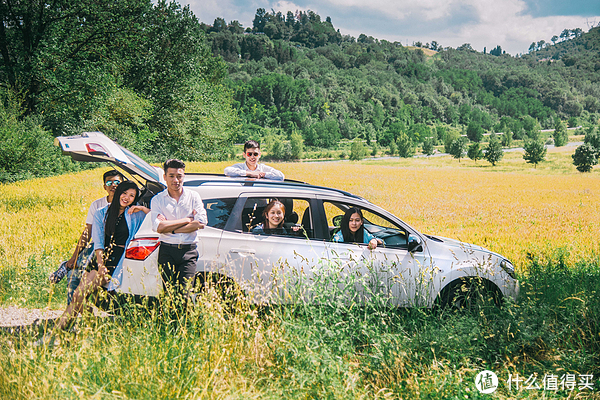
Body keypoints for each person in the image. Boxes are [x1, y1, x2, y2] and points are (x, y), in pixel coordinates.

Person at [52, 181, 150, 331]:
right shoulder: (101, 212)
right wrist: (101, 265)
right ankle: (63, 331)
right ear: (118, 193)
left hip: (121, 259)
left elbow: (157, 219)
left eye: (132, 196)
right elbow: (98, 242)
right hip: (102, 258)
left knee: (81, 295)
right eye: (124, 193)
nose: (127, 198)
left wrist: (143, 208)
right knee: (78, 294)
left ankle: (70, 331)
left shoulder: (135, 214)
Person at [49, 170, 125, 305]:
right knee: (74, 275)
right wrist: (74, 257)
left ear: (122, 184)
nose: (113, 185)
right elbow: (87, 232)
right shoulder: (97, 205)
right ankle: (72, 315)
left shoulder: (128, 203)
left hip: (116, 249)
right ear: (104, 187)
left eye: (117, 182)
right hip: (96, 247)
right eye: (109, 182)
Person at [151, 159, 207, 299]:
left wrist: (172, 228)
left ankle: (186, 321)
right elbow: (159, 227)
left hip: (189, 250)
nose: (176, 180)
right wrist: (187, 220)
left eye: (179, 176)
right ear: (164, 177)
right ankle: (171, 320)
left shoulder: (193, 196)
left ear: (183, 176)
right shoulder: (157, 200)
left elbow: (201, 222)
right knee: (169, 293)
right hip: (167, 251)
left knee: (185, 293)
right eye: (171, 176)